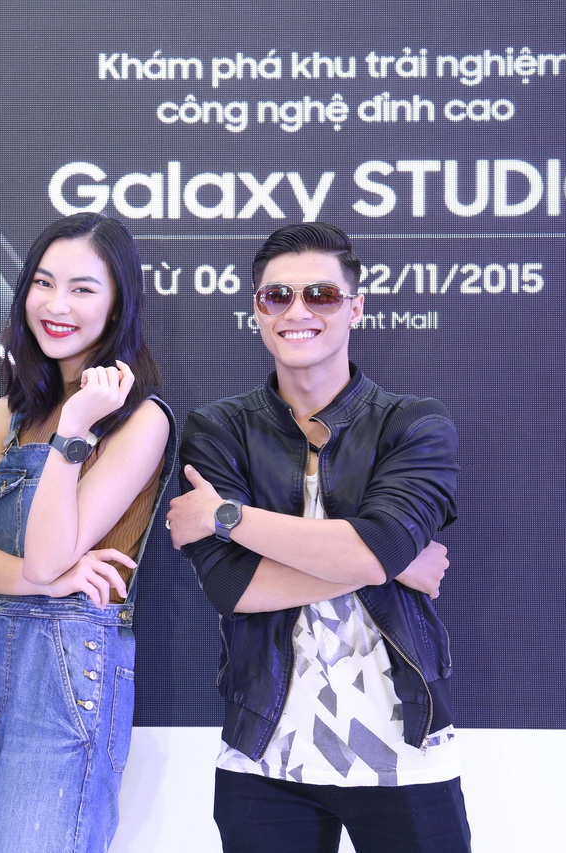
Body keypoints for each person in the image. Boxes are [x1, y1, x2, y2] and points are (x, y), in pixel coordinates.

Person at [167, 222, 470, 852]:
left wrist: (227, 517)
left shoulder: (414, 424)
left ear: (355, 308)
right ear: (257, 310)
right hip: (264, 750)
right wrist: (385, 562)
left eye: (322, 295)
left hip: (403, 745)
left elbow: (373, 549)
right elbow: (234, 587)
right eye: (277, 296)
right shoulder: (219, 429)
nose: (297, 312)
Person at [0, 213, 175, 853]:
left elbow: (47, 558)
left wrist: (74, 430)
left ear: (117, 304)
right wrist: (42, 582)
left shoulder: (141, 420)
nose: (56, 305)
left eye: (82, 289)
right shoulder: (8, 413)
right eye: (43, 284)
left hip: (70, 670)